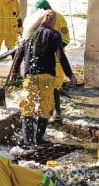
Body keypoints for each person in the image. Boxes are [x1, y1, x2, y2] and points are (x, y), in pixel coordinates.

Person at [10, 10, 74, 147]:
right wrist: (70, 74)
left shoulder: (29, 33)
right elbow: (60, 55)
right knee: (46, 106)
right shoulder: (54, 35)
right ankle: (38, 138)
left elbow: (19, 54)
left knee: (28, 105)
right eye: (52, 18)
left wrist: (14, 72)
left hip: (30, 76)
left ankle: (28, 140)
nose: (52, 19)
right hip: (47, 77)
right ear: (53, 21)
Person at [34, 0, 71, 122]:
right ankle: (44, 112)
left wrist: (54, 48)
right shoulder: (38, 19)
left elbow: (65, 39)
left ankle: (57, 112)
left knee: (55, 86)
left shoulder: (59, 19)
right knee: (42, 86)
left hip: (55, 61)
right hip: (42, 61)